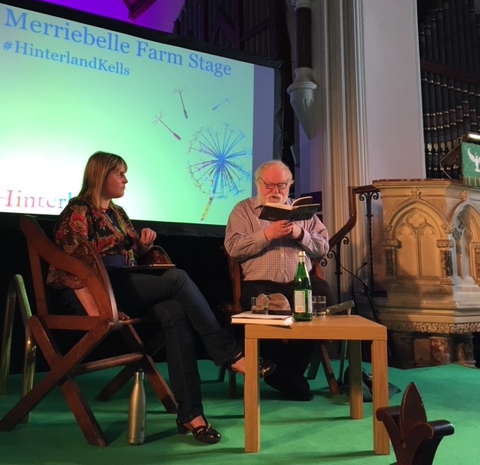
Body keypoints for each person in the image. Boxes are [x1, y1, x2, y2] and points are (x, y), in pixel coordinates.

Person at [48, 151, 274, 444]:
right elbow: (71, 265)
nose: (125, 180)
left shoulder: (117, 213)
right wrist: (99, 310)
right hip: (98, 291)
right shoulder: (78, 211)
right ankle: (230, 355)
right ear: (101, 176)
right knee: (177, 278)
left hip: (122, 284)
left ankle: (191, 415)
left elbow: (129, 256)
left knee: (174, 311)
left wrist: (142, 247)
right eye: (120, 174)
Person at [224, 159, 333, 401]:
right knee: (259, 305)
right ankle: (289, 377)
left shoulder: (302, 212)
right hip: (260, 283)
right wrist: (266, 235)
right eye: (269, 185)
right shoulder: (243, 210)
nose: (275, 191)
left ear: (289, 185)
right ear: (258, 183)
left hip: (300, 281)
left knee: (323, 297)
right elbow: (234, 248)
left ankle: (283, 373)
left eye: (281, 185)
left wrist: (300, 234)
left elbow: (323, 246)